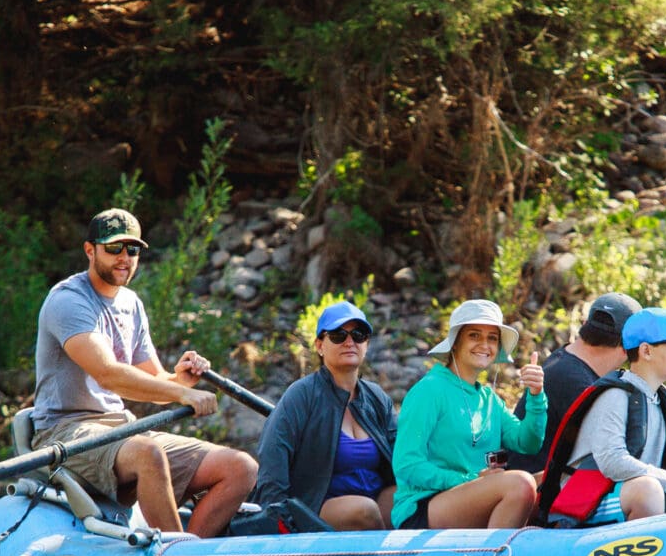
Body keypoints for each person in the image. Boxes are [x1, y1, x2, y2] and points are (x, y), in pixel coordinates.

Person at [30, 208, 257, 537]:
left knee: (240, 467)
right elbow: (109, 374)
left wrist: (180, 380)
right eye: (113, 248)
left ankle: (191, 554)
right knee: (148, 454)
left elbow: (153, 379)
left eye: (132, 249)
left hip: (120, 430)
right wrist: (182, 394)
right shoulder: (68, 300)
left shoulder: (131, 303)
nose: (124, 258)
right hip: (65, 434)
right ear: (90, 250)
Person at [538, 308, 666, 525]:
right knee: (648, 490)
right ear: (646, 351)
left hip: (639, 491)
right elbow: (612, 461)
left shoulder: (657, 397)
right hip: (589, 501)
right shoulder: (615, 395)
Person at [391, 299, 548, 530]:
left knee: (557, 480)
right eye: (474, 335)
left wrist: (536, 395)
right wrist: (470, 480)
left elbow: (528, 443)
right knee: (521, 484)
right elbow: (407, 464)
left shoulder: (489, 399)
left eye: (492, 338)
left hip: (472, 495)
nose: (484, 344)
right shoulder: (429, 390)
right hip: (423, 508)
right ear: (455, 342)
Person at [253, 301, 398, 530]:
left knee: (410, 500)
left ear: (366, 344)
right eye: (338, 335)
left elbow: (402, 455)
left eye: (358, 335)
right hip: (314, 504)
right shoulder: (302, 394)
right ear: (320, 345)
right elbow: (273, 453)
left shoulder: (376, 398)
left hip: (373, 500)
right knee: (365, 510)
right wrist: (277, 518)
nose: (349, 342)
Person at [507, 292, 642, 474]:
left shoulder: (565, 362)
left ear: (585, 325)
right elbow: (617, 454)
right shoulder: (575, 382)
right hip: (537, 493)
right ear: (629, 346)